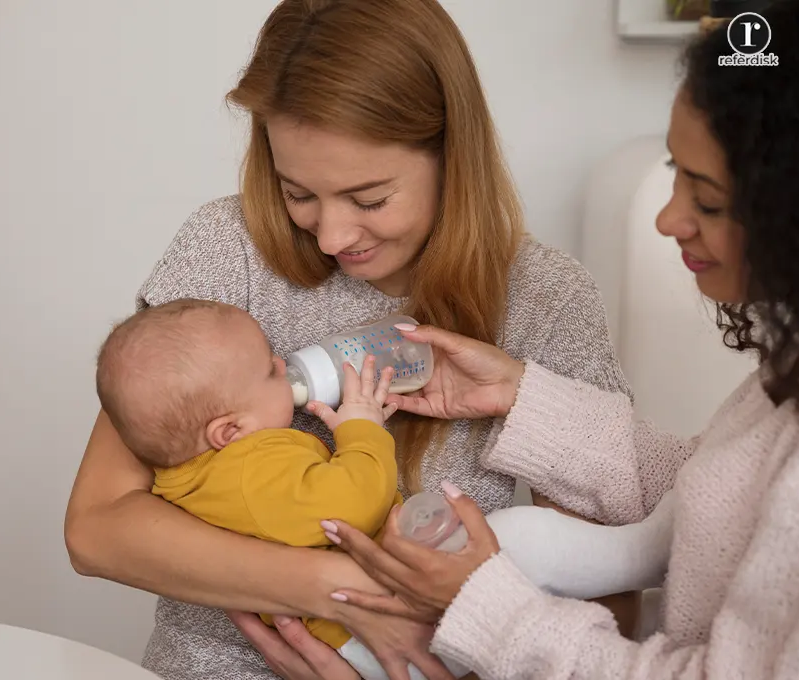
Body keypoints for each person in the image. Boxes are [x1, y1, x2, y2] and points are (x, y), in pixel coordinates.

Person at [64, 0, 633, 678]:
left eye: (368, 199)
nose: (330, 236)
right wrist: (347, 599)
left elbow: (606, 596)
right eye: (297, 191)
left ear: (452, 155)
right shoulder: (225, 249)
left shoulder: (546, 299)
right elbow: (97, 529)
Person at [318, 3, 799, 677]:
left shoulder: (550, 290)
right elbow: (714, 492)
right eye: (675, 172)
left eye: (706, 200)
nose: (670, 218)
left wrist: (489, 607)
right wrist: (518, 396)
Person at [92, 299, 678, 680]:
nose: (283, 363)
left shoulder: (202, 475)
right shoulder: (248, 468)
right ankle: (653, 549)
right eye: (270, 370)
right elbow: (348, 505)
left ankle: (653, 589)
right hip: (368, 642)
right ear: (229, 431)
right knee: (524, 536)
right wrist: (362, 432)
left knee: (532, 563)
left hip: (362, 637)